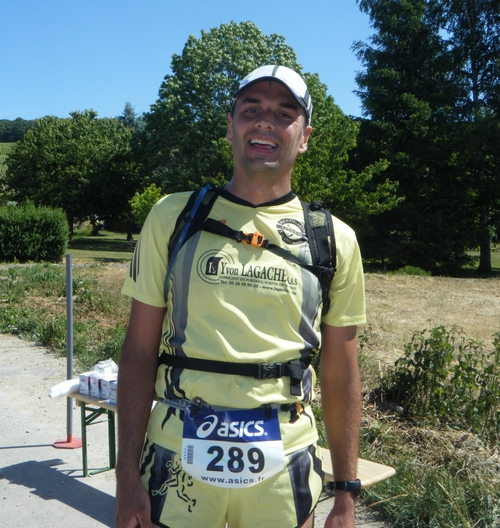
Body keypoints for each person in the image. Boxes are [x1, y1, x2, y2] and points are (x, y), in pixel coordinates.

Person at [115, 64, 366, 528]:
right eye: (251, 109)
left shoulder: (334, 240)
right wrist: (126, 474)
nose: (265, 121)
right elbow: (138, 351)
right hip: (176, 457)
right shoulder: (173, 217)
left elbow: (341, 371)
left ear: (304, 136)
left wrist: (346, 493)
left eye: (283, 113)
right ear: (229, 128)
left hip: (283, 467)